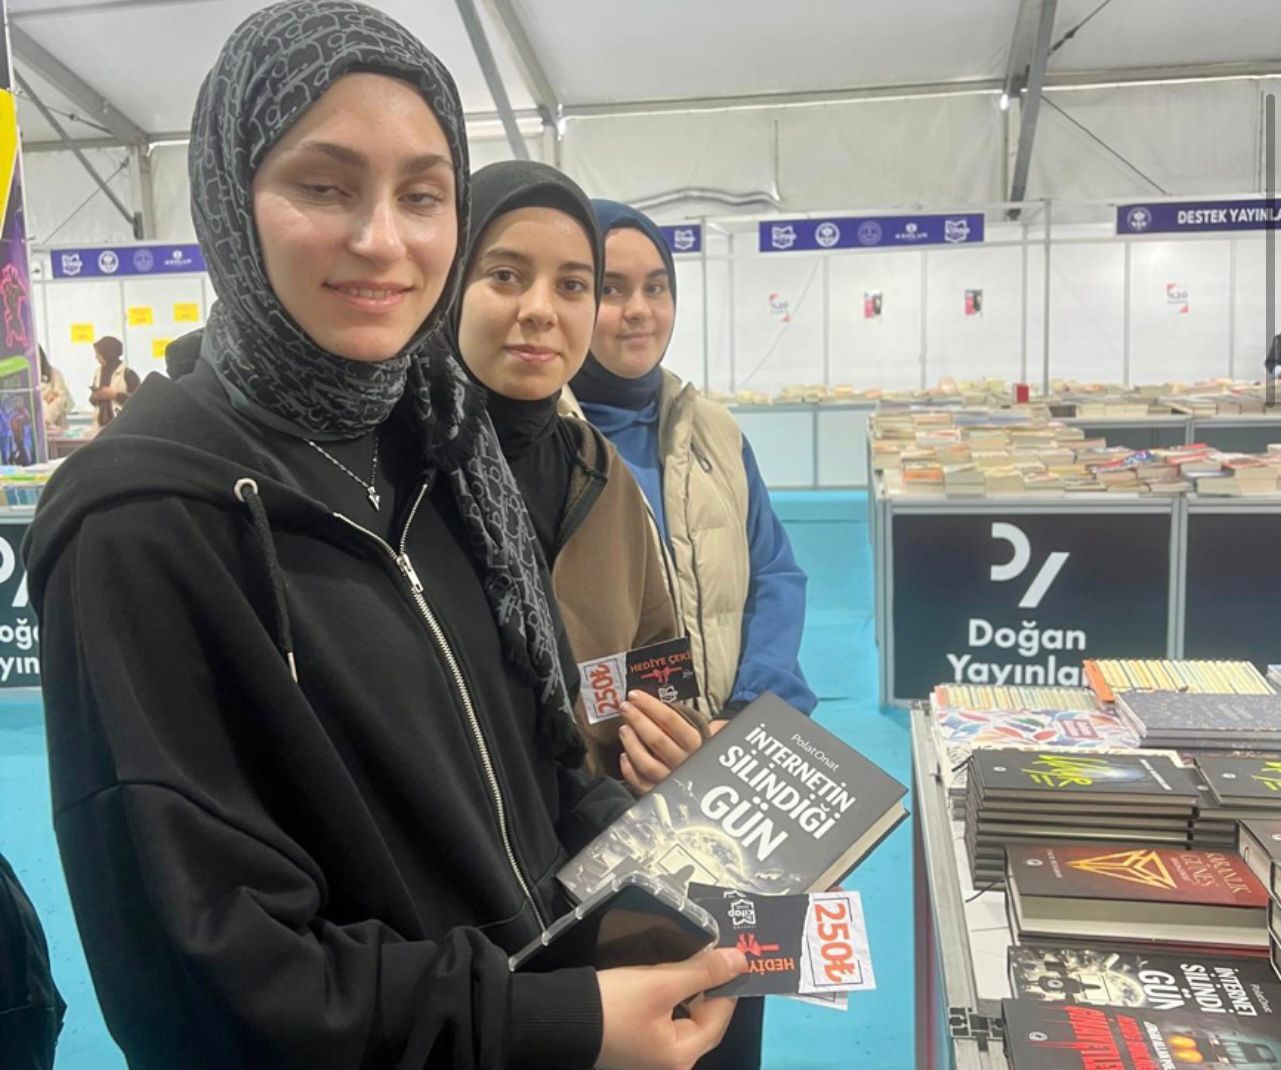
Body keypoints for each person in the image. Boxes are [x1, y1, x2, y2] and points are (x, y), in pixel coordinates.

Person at [23, 4, 744, 1068]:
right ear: (230, 195)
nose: (382, 240)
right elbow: (202, 985)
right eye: (323, 186)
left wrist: (686, 870)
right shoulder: (139, 520)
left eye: (422, 194)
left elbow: (541, 767)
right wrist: (548, 1025)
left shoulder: (445, 448)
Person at [441, 159, 705, 792]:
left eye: (572, 284)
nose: (540, 310)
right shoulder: (404, 474)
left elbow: (656, 659)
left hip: (604, 830)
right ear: (448, 284)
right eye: (505, 276)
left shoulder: (599, 471)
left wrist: (672, 744)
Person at [570, 200, 817, 725]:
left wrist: (748, 708)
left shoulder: (711, 429)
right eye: (611, 289)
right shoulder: (544, 447)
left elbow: (773, 573)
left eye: (656, 287)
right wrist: (658, 735)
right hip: (621, 751)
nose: (640, 309)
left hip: (735, 728)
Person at [87, 335, 139, 429]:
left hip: (122, 425)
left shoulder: (128, 374)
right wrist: (95, 396)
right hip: (100, 426)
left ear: (107, 353)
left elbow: (137, 403)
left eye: (98, 354)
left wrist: (115, 395)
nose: (96, 357)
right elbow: (93, 401)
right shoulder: (98, 373)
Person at [38, 346, 71, 431]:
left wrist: (46, 420)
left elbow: (61, 399)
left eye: (38, 357)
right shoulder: (26, 377)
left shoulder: (54, 374)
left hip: (55, 424)